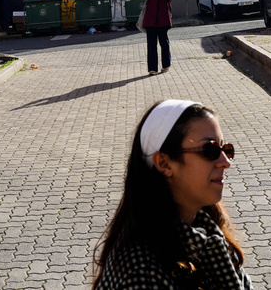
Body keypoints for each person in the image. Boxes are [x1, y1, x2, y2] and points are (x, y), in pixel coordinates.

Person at [92, 99, 252, 289]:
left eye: (226, 149)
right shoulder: (142, 271)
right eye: (210, 150)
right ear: (164, 163)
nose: (226, 162)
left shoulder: (206, 229)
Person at [139, 0, 174, 75]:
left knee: (164, 43)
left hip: (162, 20)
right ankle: (152, 68)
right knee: (151, 45)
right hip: (150, 20)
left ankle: (165, 65)